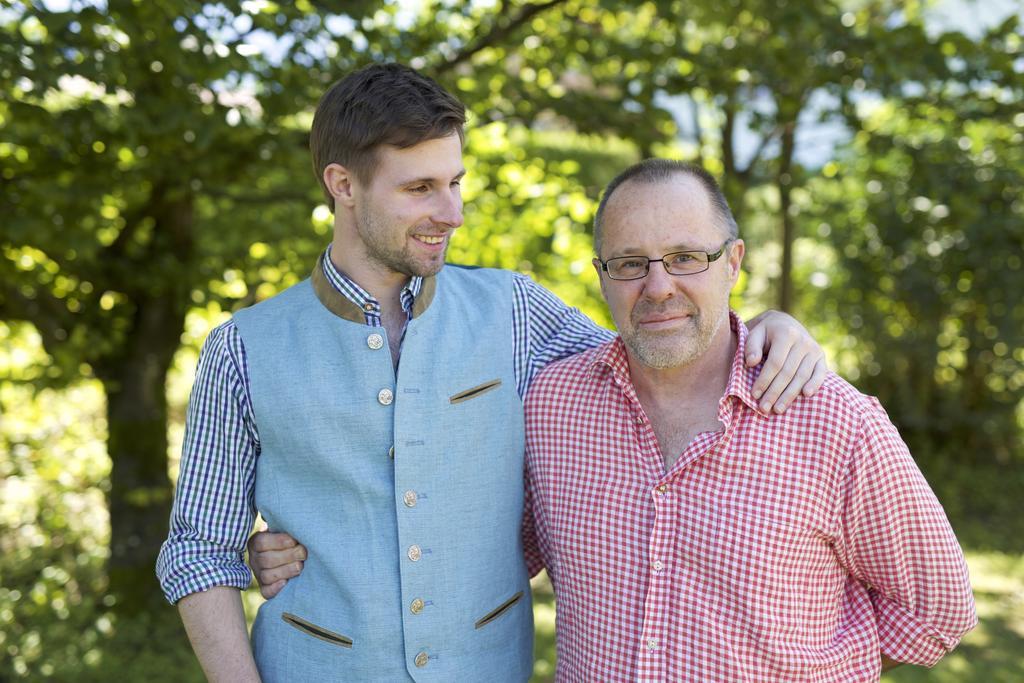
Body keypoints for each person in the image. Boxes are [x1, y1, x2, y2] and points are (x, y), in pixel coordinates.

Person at [157, 63, 827, 682]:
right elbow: (196, 551)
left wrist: (762, 329)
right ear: (343, 185)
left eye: (455, 183)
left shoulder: (515, 311)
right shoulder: (242, 348)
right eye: (420, 188)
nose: (452, 213)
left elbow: (649, 370)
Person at [518, 159, 976, 680]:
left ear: (733, 262)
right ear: (602, 275)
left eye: (686, 257)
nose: (658, 286)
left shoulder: (833, 421)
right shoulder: (551, 404)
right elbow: (503, 558)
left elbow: (938, 609)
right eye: (629, 263)